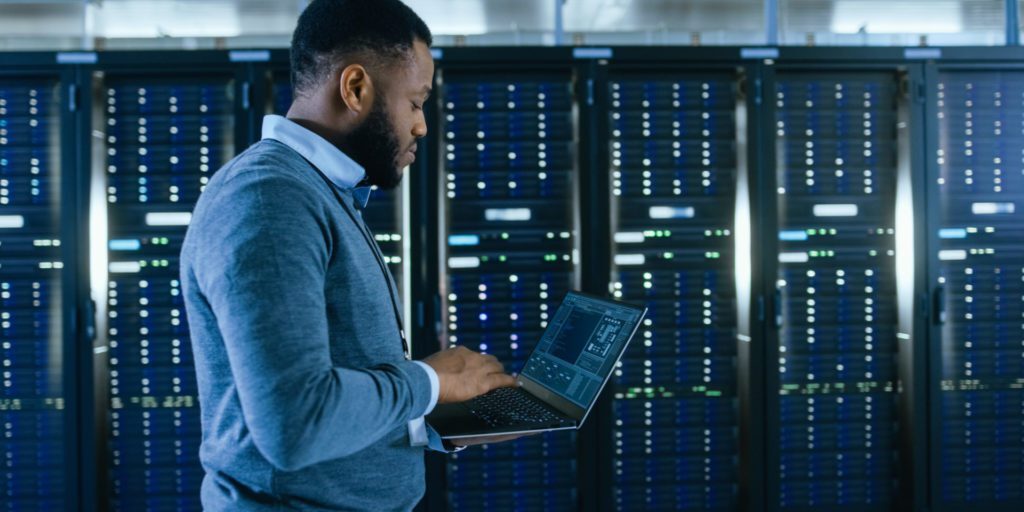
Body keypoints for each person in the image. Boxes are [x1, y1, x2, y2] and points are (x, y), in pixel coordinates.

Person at [180, 0, 521, 509]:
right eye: (415, 102)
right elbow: (294, 422)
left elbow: (339, 390)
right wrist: (432, 382)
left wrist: (437, 418)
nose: (422, 126)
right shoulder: (269, 200)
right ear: (355, 88)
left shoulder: (320, 191)